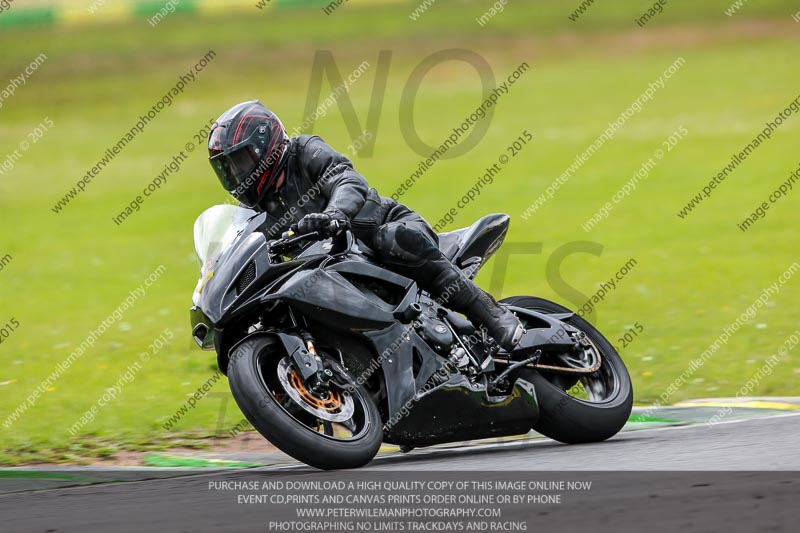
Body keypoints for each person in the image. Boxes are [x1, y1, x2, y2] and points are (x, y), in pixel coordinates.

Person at [207, 100, 522, 350]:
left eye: (241, 162)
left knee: (394, 239)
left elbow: (346, 179)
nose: (236, 175)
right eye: (228, 169)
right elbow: (246, 250)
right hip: (335, 271)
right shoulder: (258, 213)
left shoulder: (304, 152)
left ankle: (492, 315)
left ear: (265, 146)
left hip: (383, 231)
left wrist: (334, 214)